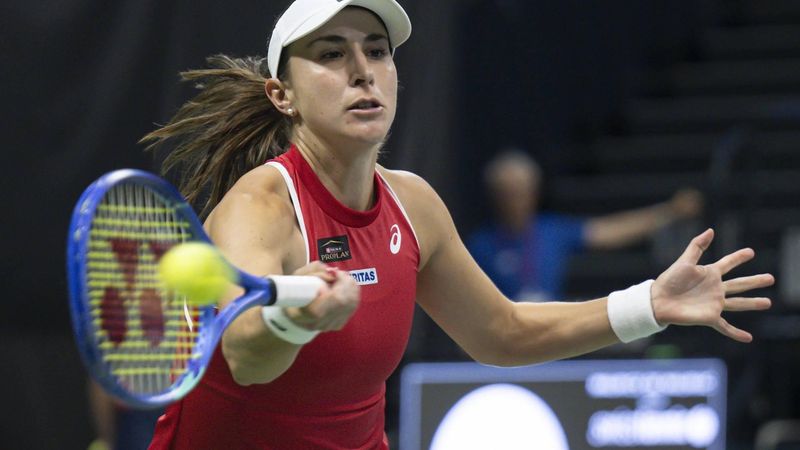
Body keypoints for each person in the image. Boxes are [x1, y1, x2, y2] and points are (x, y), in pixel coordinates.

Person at [141, 0, 773, 448]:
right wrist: (294, 319)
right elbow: (246, 355)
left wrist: (648, 305)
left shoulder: (413, 204)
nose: (363, 70)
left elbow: (502, 333)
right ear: (283, 95)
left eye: (377, 51)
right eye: (331, 54)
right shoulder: (261, 206)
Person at [468, 150, 704, 301]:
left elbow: (609, 231)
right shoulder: (481, 244)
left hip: (546, 328)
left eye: (523, 191)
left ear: (535, 192)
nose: (516, 201)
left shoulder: (552, 231)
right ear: (494, 196)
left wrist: (670, 211)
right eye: (508, 193)